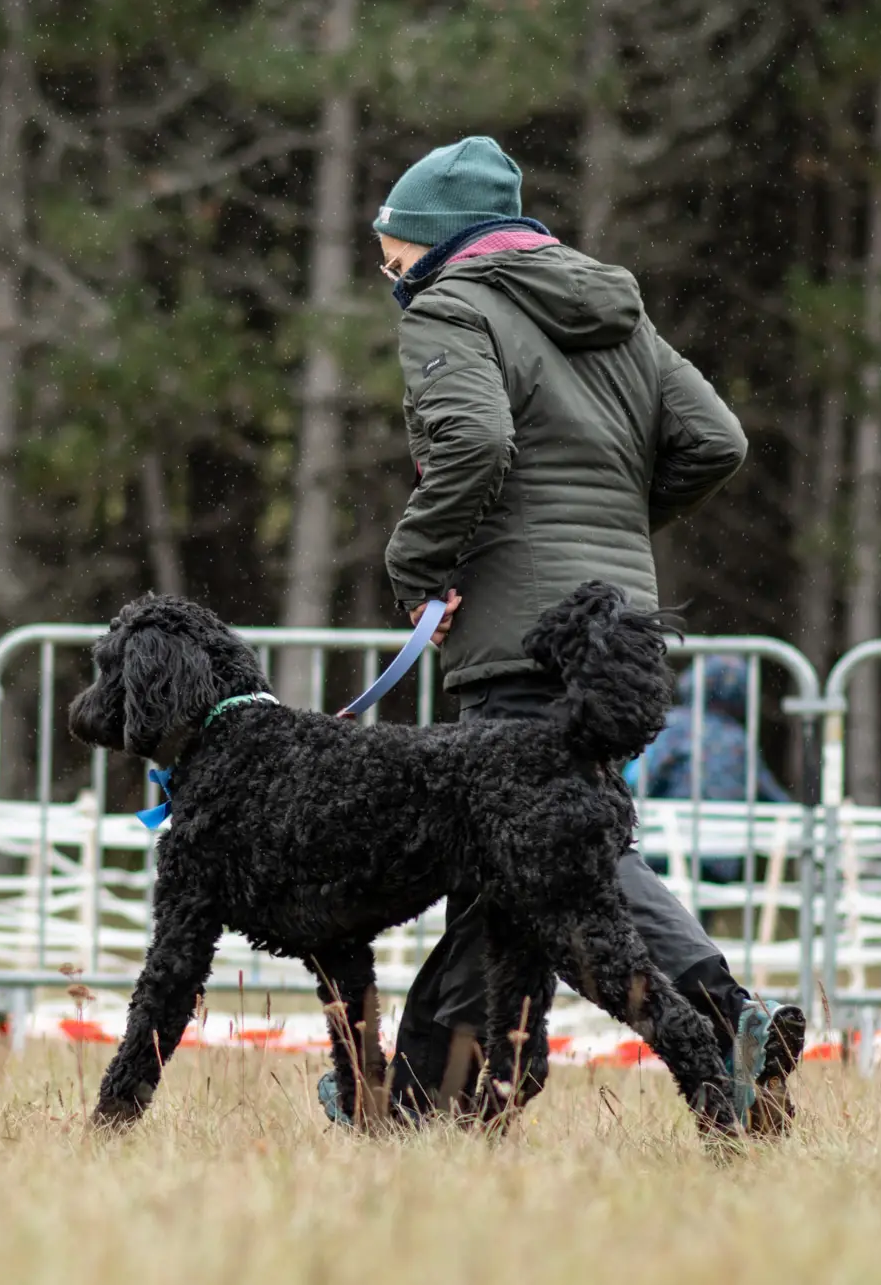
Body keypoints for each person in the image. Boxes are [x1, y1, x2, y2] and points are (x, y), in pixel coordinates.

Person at [333, 135, 804, 1133]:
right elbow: (715, 440)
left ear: (435, 244)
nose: (386, 273)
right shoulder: (612, 312)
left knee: (559, 857)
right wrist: (613, 537)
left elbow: (476, 442)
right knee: (517, 862)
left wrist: (419, 566)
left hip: (517, 633)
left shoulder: (452, 308)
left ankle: (721, 1020)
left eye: (390, 253)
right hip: (613, 625)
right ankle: (437, 1092)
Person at [629, 655, 793, 884]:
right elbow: (770, 793)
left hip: (668, 846)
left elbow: (639, 779)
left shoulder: (674, 726)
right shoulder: (738, 739)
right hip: (721, 854)